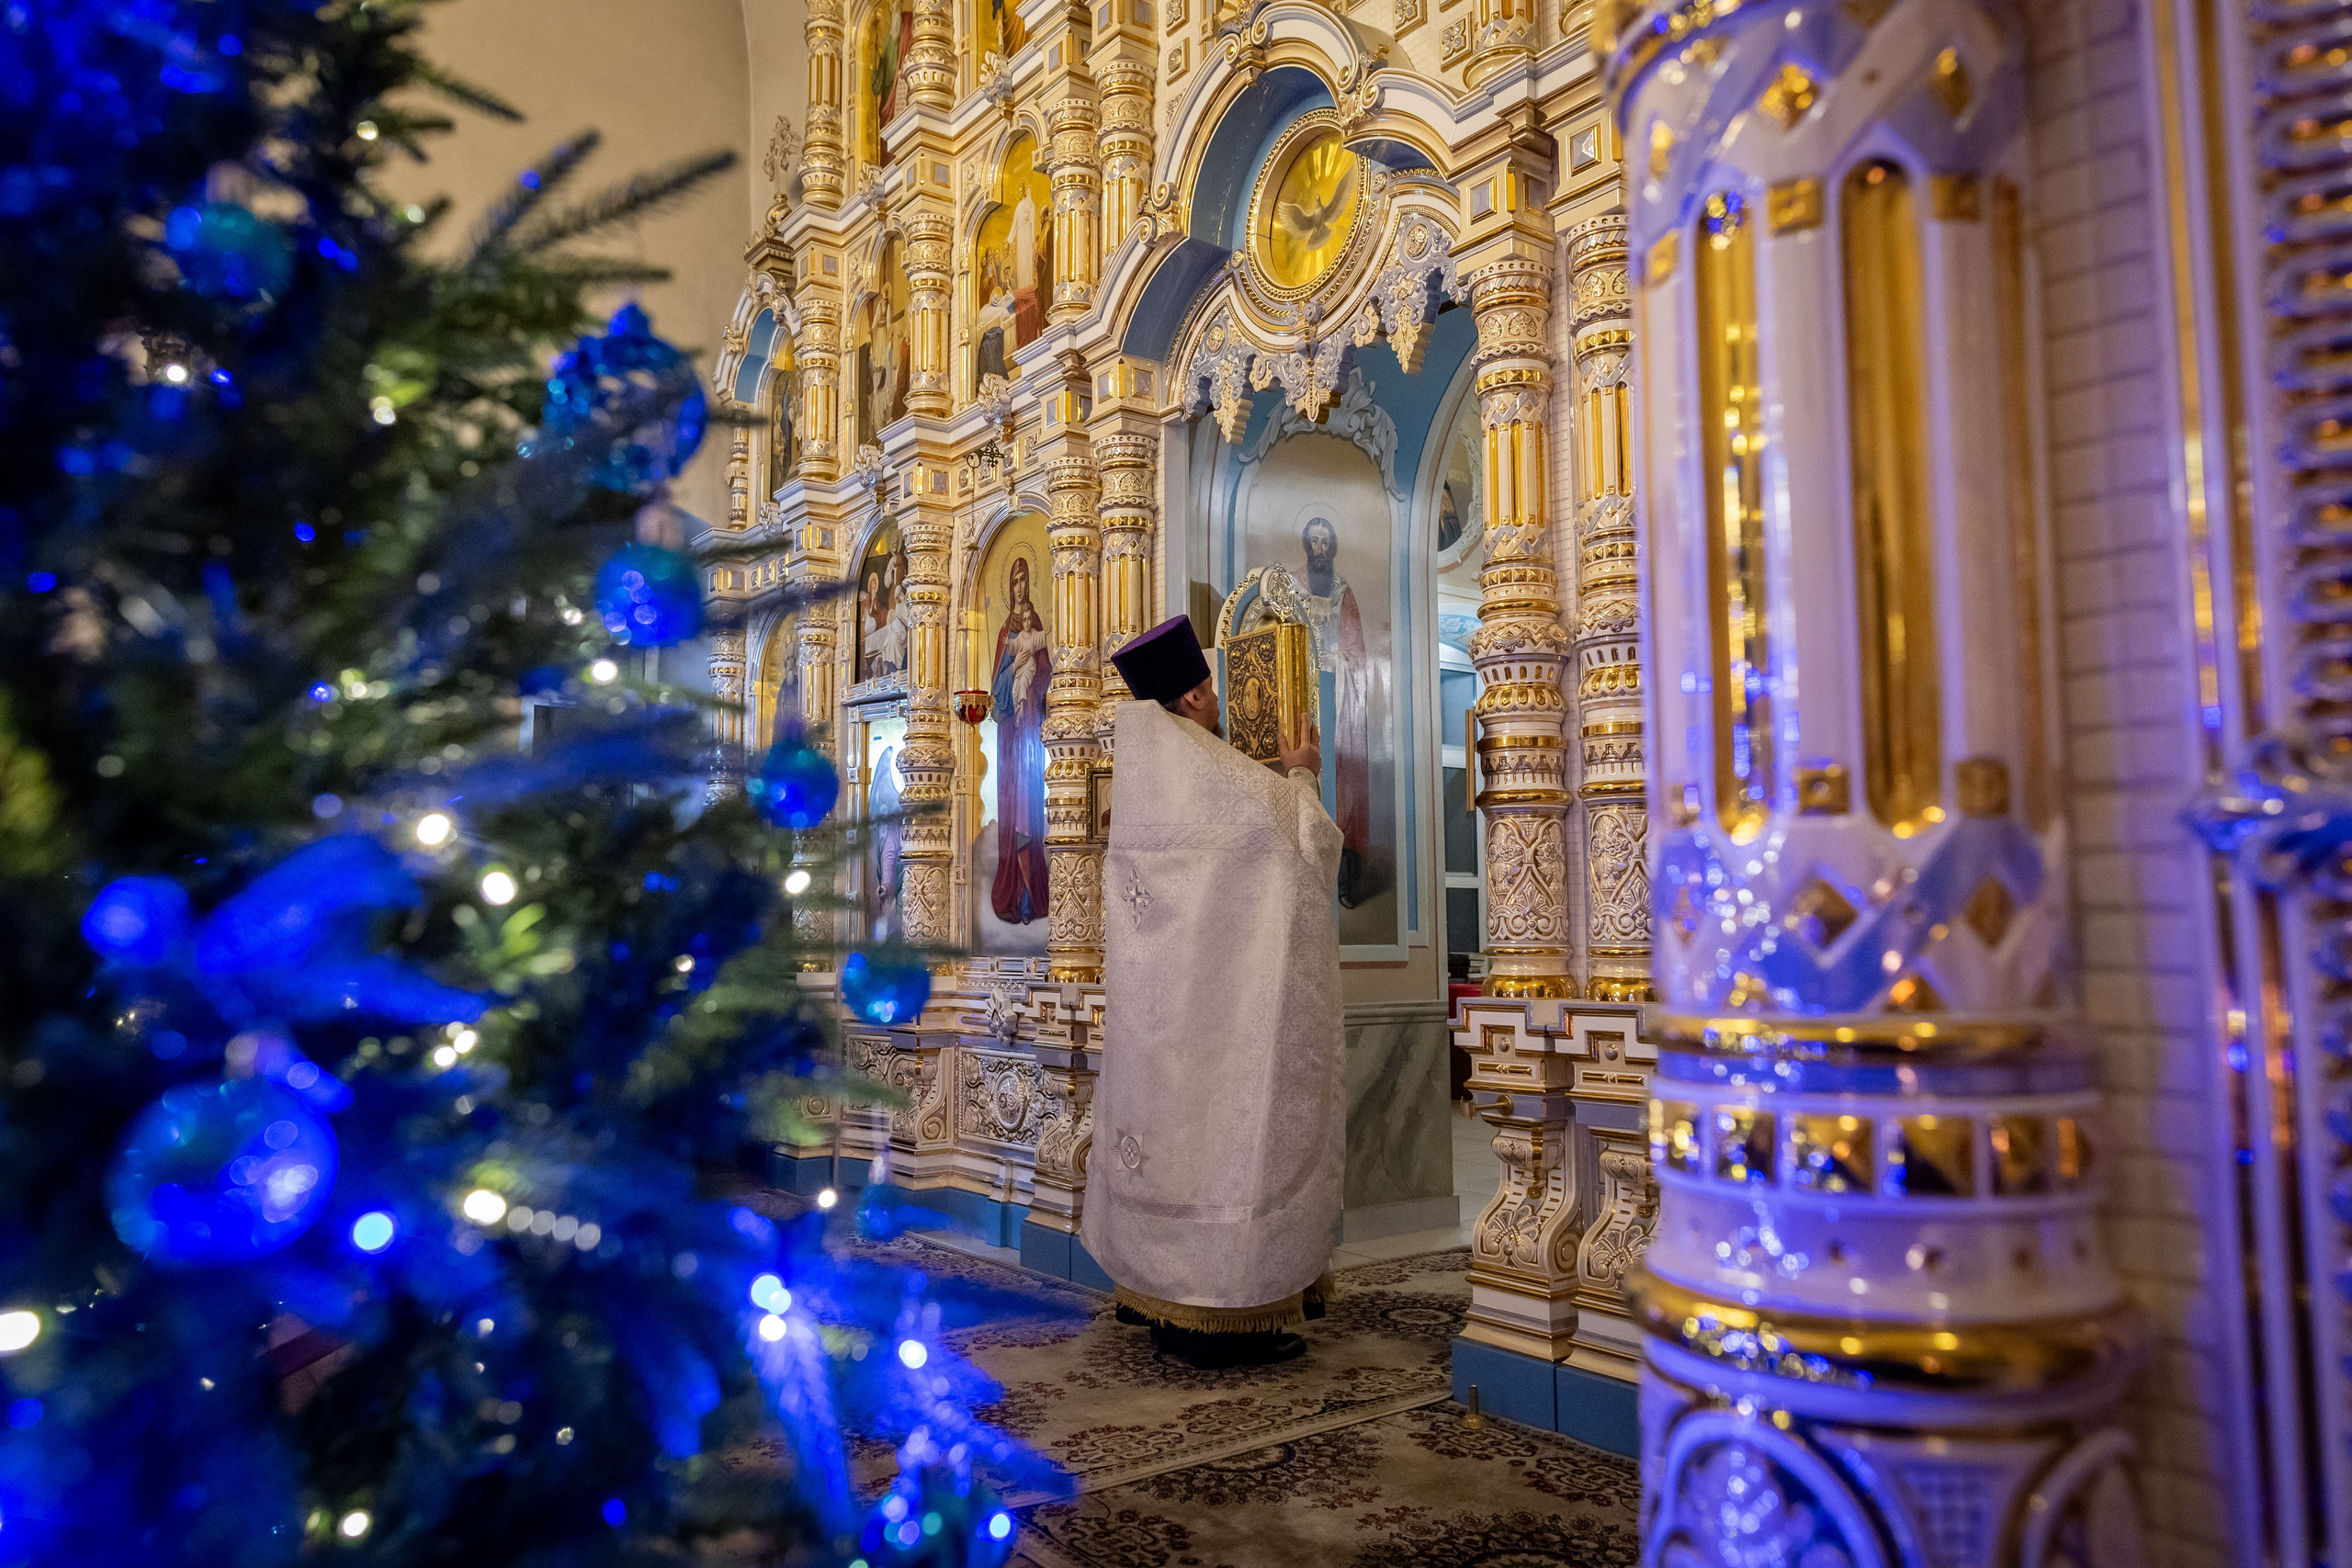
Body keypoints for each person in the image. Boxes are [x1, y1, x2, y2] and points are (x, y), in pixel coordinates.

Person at [1081, 615, 1340, 1369]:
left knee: (1170, 1140)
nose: (1217, 701)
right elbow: (1306, 841)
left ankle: (1159, 1299)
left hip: (1159, 1019)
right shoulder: (1219, 775)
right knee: (1227, 1138)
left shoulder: (1143, 773)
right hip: (1220, 1021)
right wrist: (1301, 770)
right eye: (1209, 689)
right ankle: (1216, 1314)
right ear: (1194, 693)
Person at [1297, 515, 1374, 906]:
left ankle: (1342, 883)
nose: (1321, 550)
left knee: (1340, 790)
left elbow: (1356, 654)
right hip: (1302, 700)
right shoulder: (1291, 587)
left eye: (1327, 543)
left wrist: (1333, 661)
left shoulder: (1343, 592)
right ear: (1307, 546)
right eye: (1315, 542)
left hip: (1338, 700)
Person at [989, 556, 1050, 925]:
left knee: (1029, 809)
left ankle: (1031, 896)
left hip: (1032, 732)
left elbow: (1046, 674)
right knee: (1011, 807)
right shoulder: (1002, 634)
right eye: (1014, 582)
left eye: (1025, 581)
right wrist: (1012, 668)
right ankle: (1013, 894)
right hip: (1010, 735)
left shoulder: (1037, 627)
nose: (1020, 588)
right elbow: (995, 690)